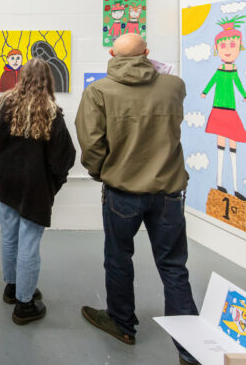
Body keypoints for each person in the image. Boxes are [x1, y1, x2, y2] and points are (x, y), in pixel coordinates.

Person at [75, 34, 199, 365]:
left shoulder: (98, 91)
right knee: (174, 268)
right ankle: (190, 352)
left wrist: (103, 171)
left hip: (122, 192)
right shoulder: (174, 86)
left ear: (112, 53)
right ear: (147, 52)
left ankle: (122, 323)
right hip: (168, 192)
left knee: (118, 259)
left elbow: (90, 145)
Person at [0, 58, 76, 326]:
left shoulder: (3, 104)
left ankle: (12, 288)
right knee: (29, 244)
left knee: (9, 237)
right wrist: (56, 181)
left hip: (6, 183)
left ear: (22, 77)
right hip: (34, 187)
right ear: (48, 79)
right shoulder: (50, 111)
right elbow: (64, 158)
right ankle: (24, 305)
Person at [201, 15, 246, 200]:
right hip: (218, 109)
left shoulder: (234, 72)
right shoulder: (219, 71)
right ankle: (220, 182)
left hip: (230, 110)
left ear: (239, 46)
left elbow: (238, 85)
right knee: (221, 144)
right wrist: (205, 92)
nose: (228, 50)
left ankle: (236, 186)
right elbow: (212, 82)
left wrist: (245, 96)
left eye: (232, 45)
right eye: (223, 46)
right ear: (217, 49)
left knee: (233, 143)